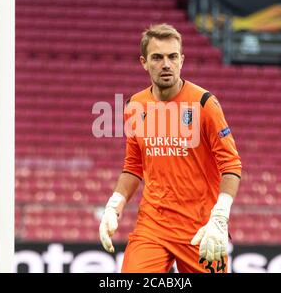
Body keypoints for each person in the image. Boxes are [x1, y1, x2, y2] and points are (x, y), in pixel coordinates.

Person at [98, 23, 241, 273]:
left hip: (199, 230)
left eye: (172, 56)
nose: (166, 64)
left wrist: (220, 216)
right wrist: (114, 205)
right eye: (157, 57)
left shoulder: (205, 104)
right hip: (153, 226)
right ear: (144, 62)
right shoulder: (135, 106)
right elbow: (133, 167)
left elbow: (231, 165)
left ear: (182, 60)